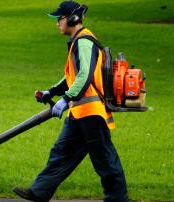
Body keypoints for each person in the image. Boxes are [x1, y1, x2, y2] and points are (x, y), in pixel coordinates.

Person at [12, 1, 128, 202]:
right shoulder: (77, 41)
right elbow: (72, 77)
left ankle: (117, 199)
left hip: (91, 113)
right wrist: (52, 92)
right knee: (61, 153)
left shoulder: (85, 41)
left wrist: (65, 99)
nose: (57, 23)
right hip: (79, 113)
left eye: (60, 19)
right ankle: (39, 192)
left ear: (73, 19)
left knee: (104, 160)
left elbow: (85, 76)